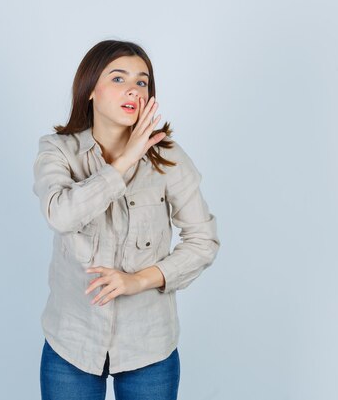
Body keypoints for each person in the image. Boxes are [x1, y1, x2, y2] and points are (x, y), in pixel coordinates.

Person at [32, 39, 220, 400]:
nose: (133, 89)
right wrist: (125, 160)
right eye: (118, 79)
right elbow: (60, 214)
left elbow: (203, 240)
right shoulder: (58, 150)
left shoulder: (169, 157)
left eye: (142, 81)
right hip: (71, 341)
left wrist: (138, 281)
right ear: (89, 89)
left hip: (149, 346)